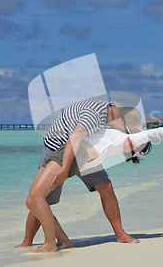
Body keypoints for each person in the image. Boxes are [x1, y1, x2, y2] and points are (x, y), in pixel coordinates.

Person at [26, 127, 163, 252]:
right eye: (136, 145)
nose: (134, 144)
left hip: (76, 155)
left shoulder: (126, 139)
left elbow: (162, 133)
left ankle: (51, 242)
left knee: (36, 196)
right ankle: (60, 241)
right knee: (32, 200)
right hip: (72, 152)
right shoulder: (122, 135)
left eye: (135, 148)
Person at [17, 99, 143, 248]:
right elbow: (74, 138)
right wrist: (64, 169)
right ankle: (27, 242)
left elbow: (120, 106)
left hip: (83, 149)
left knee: (106, 187)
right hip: (57, 147)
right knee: (41, 196)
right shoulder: (94, 115)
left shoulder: (116, 109)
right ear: (121, 123)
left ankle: (120, 234)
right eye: (127, 131)